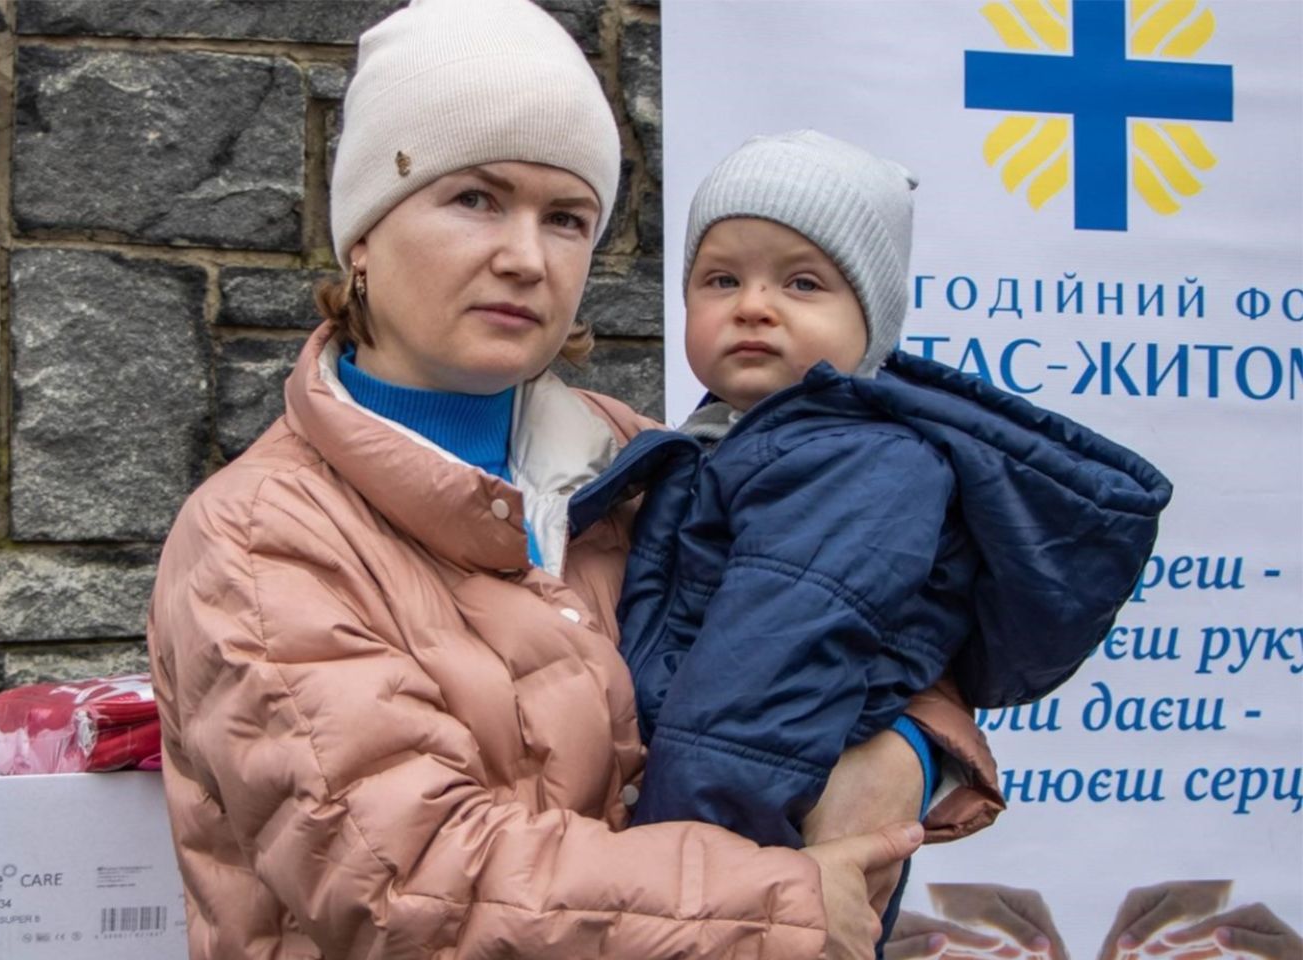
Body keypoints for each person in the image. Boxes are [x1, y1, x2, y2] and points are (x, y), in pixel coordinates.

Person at [145, 5, 1003, 959]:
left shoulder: (644, 462)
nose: (526, 257)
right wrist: (783, 909)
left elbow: (849, 619)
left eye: (566, 219)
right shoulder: (260, 537)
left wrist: (913, 748)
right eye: (474, 197)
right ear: (362, 233)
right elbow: (410, 888)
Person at [566, 130, 1170, 938]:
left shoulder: (856, 466)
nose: (753, 303)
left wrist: (678, 884)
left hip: (742, 870)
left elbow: (757, 703)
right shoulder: (726, 442)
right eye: (720, 278)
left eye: (804, 282)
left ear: (872, 323)